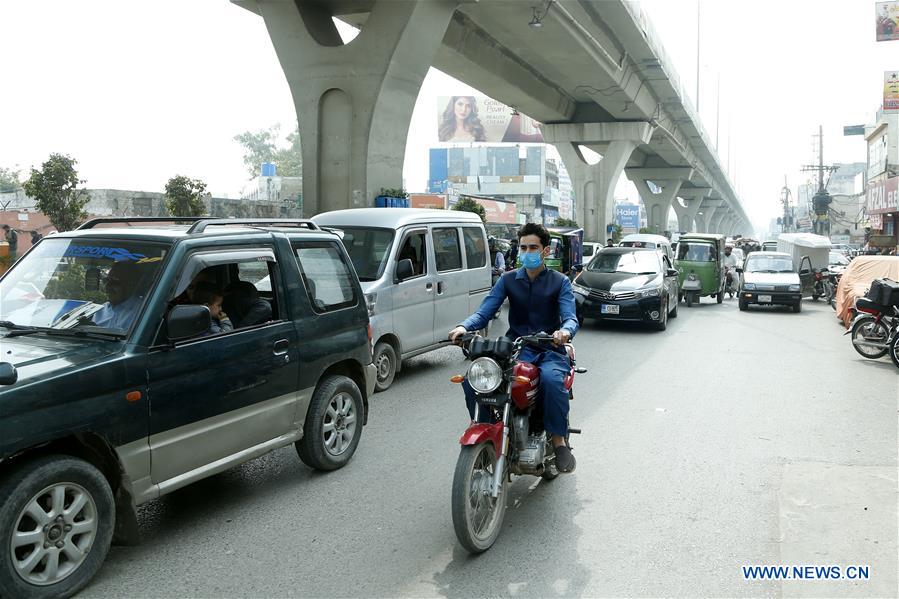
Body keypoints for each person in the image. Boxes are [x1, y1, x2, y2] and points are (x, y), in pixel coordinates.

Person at [448, 223, 580, 473]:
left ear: (545, 250)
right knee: (473, 379)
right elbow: (485, 311)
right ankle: (486, 432)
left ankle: (558, 441)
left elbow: (570, 317)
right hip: (517, 349)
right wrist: (464, 327)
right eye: (523, 247)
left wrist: (564, 332)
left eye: (533, 247)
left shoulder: (559, 282)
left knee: (552, 382)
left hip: (550, 349)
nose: (527, 251)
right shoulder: (508, 280)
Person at [92, 261, 144, 331]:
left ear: (131, 284)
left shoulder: (143, 310)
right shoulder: (99, 311)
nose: (107, 287)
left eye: (114, 282)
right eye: (106, 281)